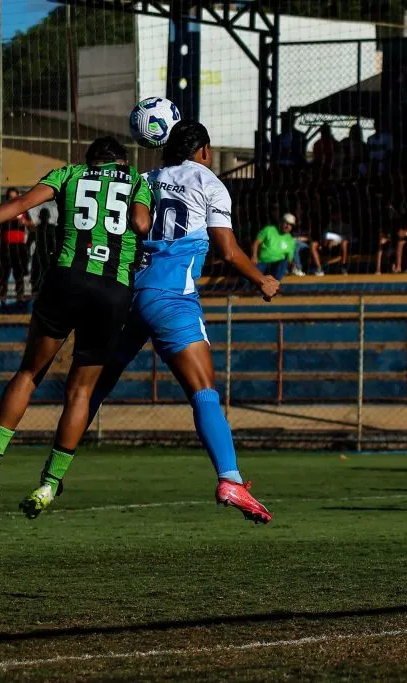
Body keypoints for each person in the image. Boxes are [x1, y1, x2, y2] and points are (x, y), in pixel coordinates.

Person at [0, 136, 152, 517]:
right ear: (121, 160)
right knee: (80, 392)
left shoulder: (68, 174)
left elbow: (20, 204)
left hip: (66, 280)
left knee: (30, 372)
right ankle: (49, 485)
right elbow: (140, 222)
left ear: (90, 160)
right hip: (113, 289)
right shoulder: (137, 181)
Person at [90, 120, 280, 524]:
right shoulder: (208, 182)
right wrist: (261, 279)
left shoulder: (144, 179)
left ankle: (52, 474)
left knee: (94, 387)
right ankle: (229, 478)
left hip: (126, 295)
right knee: (203, 391)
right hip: (172, 298)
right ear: (205, 151)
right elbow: (228, 252)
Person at [0, 187, 34, 301]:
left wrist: (25, 222)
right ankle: (1, 297)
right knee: (4, 272)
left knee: (19, 272)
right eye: (10, 197)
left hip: (18, 246)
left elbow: (32, 227)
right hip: (6, 245)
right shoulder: (3, 210)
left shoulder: (23, 211)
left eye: (14, 197)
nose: (12, 199)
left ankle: (20, 296)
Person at [251, 214, 298, 281]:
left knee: (284, 262)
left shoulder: (291, 240)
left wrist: (292, 266)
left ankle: (275, 284)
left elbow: (289, 259)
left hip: (277, 265)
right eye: (286, 223)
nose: (288, 226)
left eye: (290, 225)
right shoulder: (269, 229)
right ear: (281, 222)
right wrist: (254, 256)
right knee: (249, 280)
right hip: (262, 262)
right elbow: (256, 243)